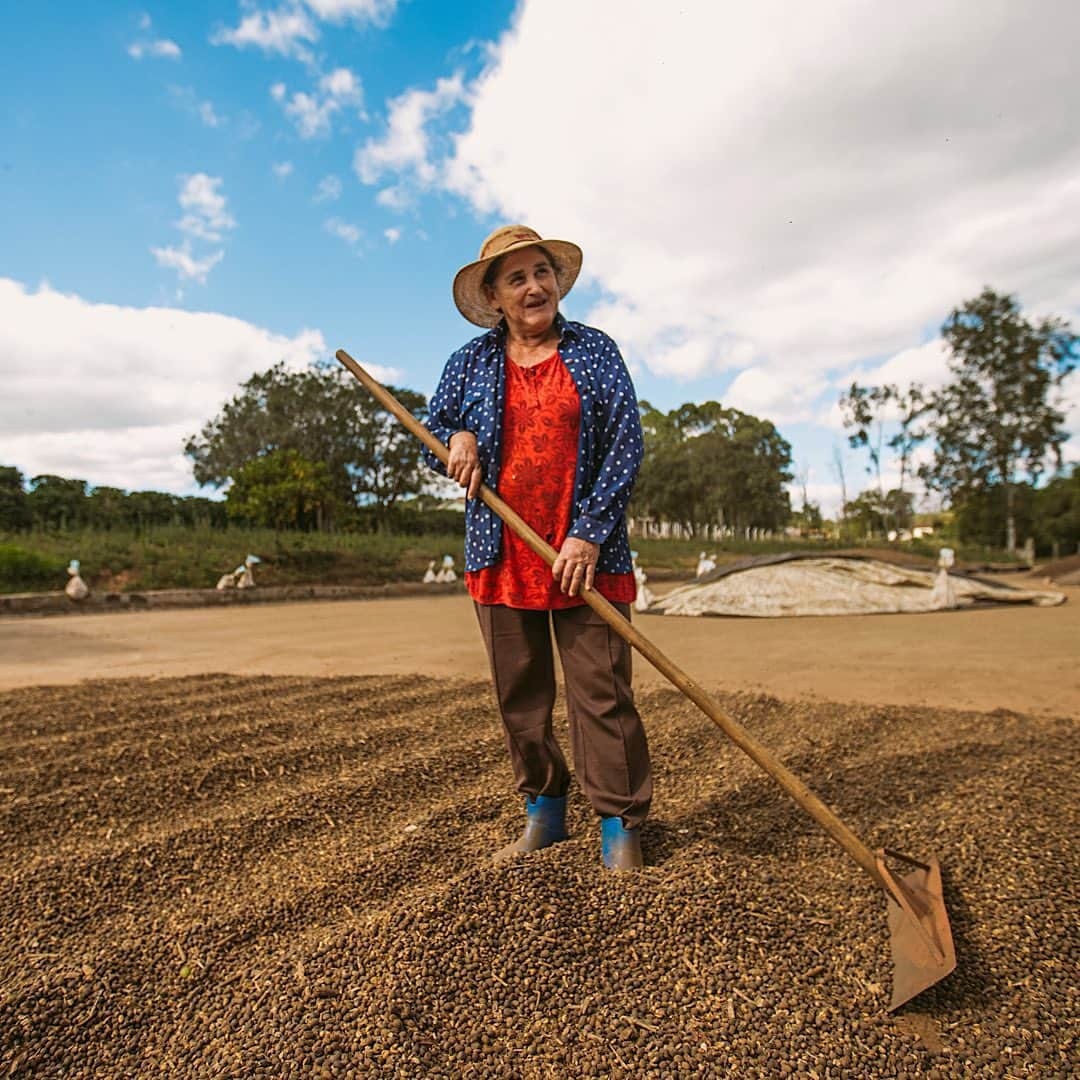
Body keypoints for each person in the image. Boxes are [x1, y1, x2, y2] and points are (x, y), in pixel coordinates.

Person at [424, 224, 653, 871]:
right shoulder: (468, 363)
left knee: (602, 694)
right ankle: (544, 814)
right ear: (494, 296)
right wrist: (458, 436)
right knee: (518, 695)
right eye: (517, 278)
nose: (534, 287)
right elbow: (432, 428)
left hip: (586, 556)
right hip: (501, 555)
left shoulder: (594, 351)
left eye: (542, 272)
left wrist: (589, 530)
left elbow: (625, 444)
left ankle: (620, 826)